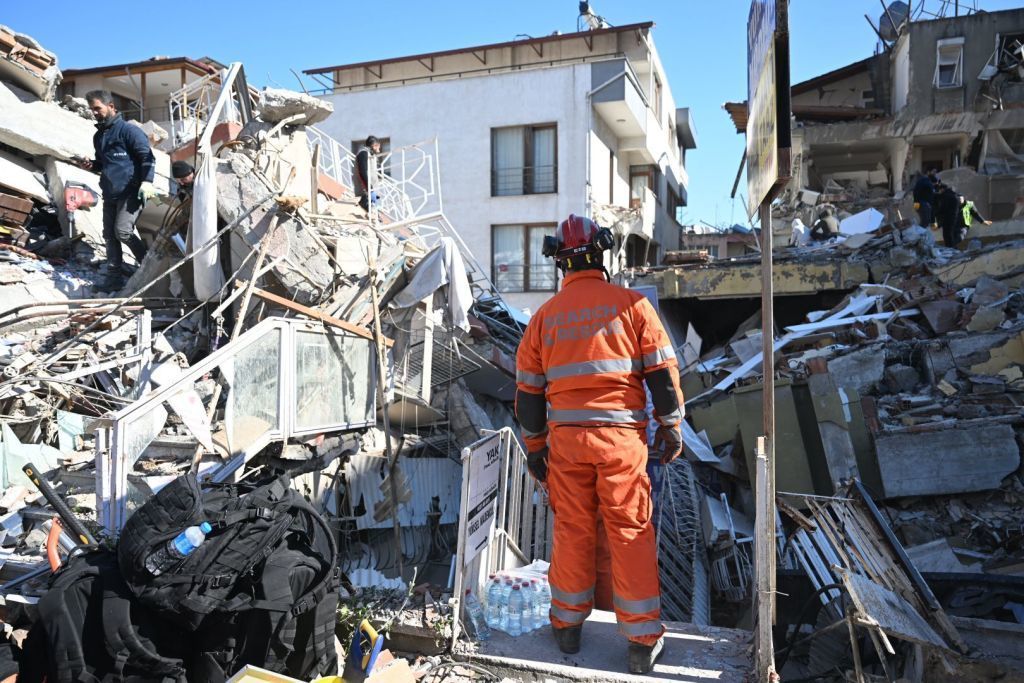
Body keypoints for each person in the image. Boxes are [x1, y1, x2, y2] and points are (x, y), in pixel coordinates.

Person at [515, 214, 684, 674]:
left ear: (560, 263)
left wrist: (535, 448)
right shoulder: (632, 307)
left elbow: (528, 397)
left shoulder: (544, 319)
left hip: (566, 447)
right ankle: (641, 640)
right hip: (621, 445)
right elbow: (663, 381)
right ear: (602, 254)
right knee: (629, 531)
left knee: (573, 529)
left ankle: (567, 627)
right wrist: (671, 428)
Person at [75, 90, 156, 291]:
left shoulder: (129, 131)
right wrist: (90, 165)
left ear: (111, 106)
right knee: (109, 235)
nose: (94, 112)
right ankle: (113, 279)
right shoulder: (99, 136)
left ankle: (149, 269)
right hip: (111, 192)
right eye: (92, 109)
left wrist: (147, 181)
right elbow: (103, 164)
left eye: (97, 108)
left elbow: (147, 157)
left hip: (132, 191)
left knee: (123, 231)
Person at [355, 135, 381, 211]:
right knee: (372, 212)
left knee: (376, 214)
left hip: (372, 190)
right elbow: (362, 172)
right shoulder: (363, 153)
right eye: (378, 146)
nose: (379, 149)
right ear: (374, 145)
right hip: (366, 192)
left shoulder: (370, 155)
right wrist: (370, 189)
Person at [935, 182, 960, 247]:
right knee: (950, 233)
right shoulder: (953, 194)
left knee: (947, 234)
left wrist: (937, 212)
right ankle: (952, 247)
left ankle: (950, 248)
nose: (939, 191)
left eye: (939, 190)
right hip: (953, 217)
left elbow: (944, 207)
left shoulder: (946, 196)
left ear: (942, 189)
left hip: (947, 218)